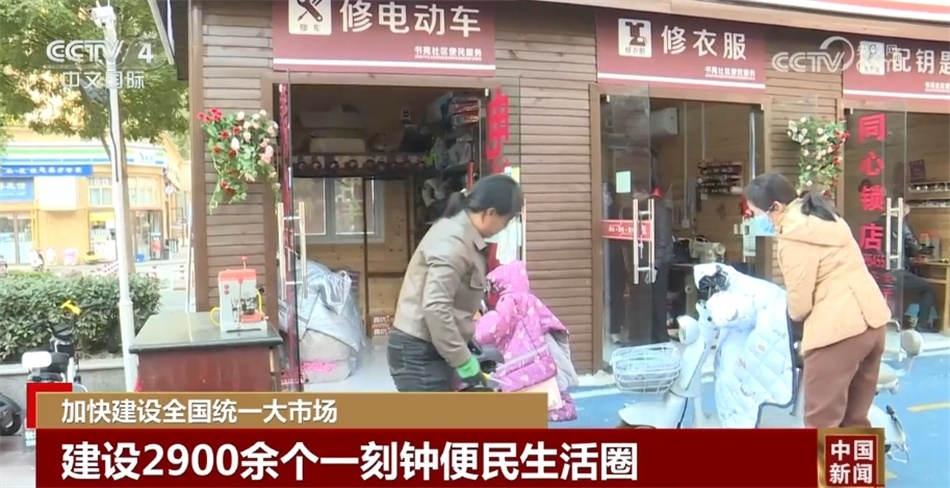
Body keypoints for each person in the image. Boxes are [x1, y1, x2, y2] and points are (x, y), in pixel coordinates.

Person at [744, 173, 891, 428]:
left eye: (758, 214)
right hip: (873, 322)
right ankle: (858, 457)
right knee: (855, 419)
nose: (758, 220)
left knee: (822, 422)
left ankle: (827, 458)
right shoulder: (826, 217)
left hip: (838, 330)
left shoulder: (794, 237)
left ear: (776, 207)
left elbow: (800, 305)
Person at [388, 174, 524, 392]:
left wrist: (465, 343)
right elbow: (436, 307)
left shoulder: (462, 234)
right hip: (419, 353)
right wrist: (462, 360)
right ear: (490, 213)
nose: (504, 228)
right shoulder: (453, 243)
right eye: (506, 221)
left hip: (431, 346)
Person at [474, 260, 579, 421]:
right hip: (538, 361)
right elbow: (552, 324)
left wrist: (475, 328)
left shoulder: (509, 301)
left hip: (517, 361)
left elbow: (493, 327)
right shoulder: (532, 300)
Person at [877, 205, 937, 331]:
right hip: (896, 271)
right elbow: (913, 246)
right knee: (927, 288)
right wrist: (925, 251)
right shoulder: (900, 224)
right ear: (903, 212)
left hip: (877, 272)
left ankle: (903, 318)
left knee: (908, 287)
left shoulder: (876, 223)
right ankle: (922, 324)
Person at [633, 187, 674, 344]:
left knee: (658, 300)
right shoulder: (650, 207)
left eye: (636, 193)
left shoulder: (658, 209)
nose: (634, 196)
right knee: (652, 300)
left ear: (644, 192)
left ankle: (661, 338)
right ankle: (654, 337)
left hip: (659, 262)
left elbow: (661, 240)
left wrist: (655, 266)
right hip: (653, 260)